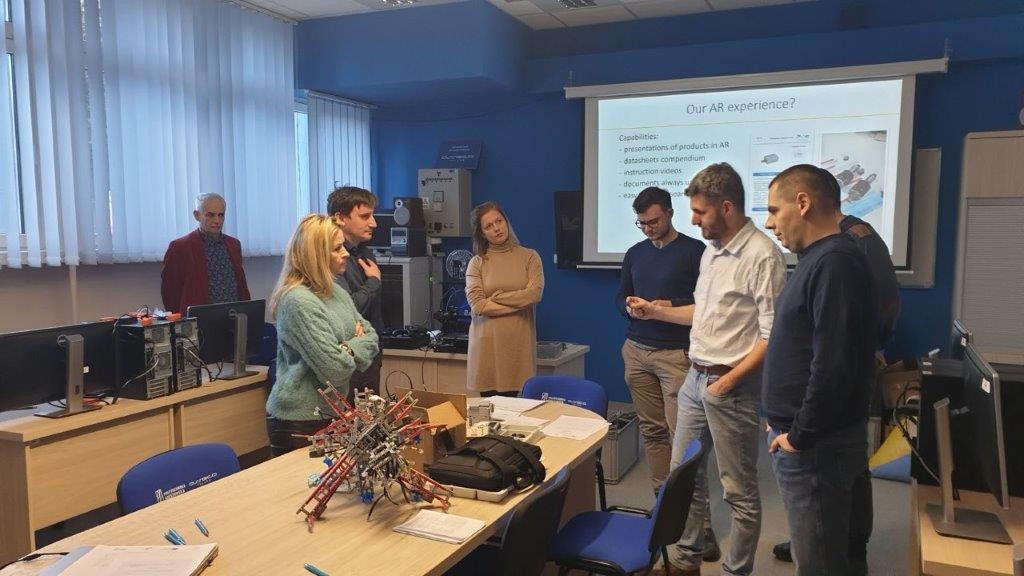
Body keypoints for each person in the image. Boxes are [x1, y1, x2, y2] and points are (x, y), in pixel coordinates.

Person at [631, 163, 785, 576]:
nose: (694, 219)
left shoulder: (762, 255)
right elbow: (702, 313)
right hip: (694, 379)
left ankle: (736, 571)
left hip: (730, 386)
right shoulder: (713, 251)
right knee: (685, 479)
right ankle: (686, 563)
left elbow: (773, 337)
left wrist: (727, 381)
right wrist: (656, 312)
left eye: (700, 212)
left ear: (727, 207)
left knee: (739, 491)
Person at [771, 168, 901, 572]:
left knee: (821, 564)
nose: (769, 223)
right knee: (835, 554)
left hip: (816, 447)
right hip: (815, 440)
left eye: (774, 210)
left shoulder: (834, 263)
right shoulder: (822, 259)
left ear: (803, 203)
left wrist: (799, 435)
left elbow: (833, 365)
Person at [615, 187, 721, 560]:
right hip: (637, 351)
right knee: (654, 434)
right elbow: (620, 295)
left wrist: (668, 306)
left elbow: (709, 303)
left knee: (685, 444)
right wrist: (630, 307)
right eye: (641, 223)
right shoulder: (635, 253)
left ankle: (700, 529)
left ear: (671, 213)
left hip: (677, 356)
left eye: (654, 221)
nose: (648, 228)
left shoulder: (695, 252)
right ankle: (664, 510)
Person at [265, 215, 379, 456]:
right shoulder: (298, 301)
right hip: (299, 422)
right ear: (316, 254)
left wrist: (344, 348)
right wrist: (352, 345)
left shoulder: (335, 292)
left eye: (343, 246)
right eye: (337, 249)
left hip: (332, 413)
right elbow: (334, 370)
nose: (346, 254)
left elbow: (371, 337)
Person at [465, 202, 544, 397]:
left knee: (516, 411)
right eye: (488, 226)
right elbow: (479, 305)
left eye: (499, 221)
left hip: (518, 349)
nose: (496, 228)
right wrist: (520, 303)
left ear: (506, 221)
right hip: (486, 348)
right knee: (489, 412)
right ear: (482, 233)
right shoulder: (477, 263)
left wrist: (498, 297)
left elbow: (534, 294)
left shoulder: (530, 257)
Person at [327, 186, 383, 396]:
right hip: (349, 357)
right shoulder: (331, 258)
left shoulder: (365, 252)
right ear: (340, 218)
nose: (373, 223)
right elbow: (348, 310)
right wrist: (374, 282)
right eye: (365, 216)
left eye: (372, 216)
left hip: (370, 351)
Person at [161, 193, 251, 314]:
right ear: (197, 215)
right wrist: (182, 321)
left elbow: (241, 285)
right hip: (199, 319)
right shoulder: (180, 248)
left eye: (221, 215)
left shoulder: (234, 244)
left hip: (233, 315)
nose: (217, 220)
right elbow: (170, 292)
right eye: (210, 215)